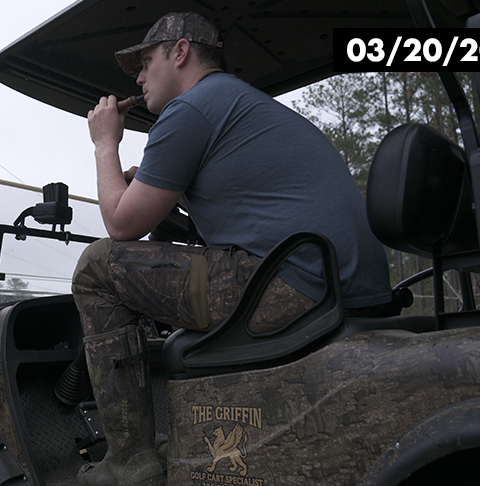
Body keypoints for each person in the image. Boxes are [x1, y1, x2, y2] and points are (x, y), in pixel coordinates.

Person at [71, 11, 392, 486]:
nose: (138, 78)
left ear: (179, 52)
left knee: (96, 269)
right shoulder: (236, 105)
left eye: (144, 62)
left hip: (288, 285)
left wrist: (105, 144)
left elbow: (120, 224)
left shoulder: (192, 109)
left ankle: (128, 457)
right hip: (343, 288)